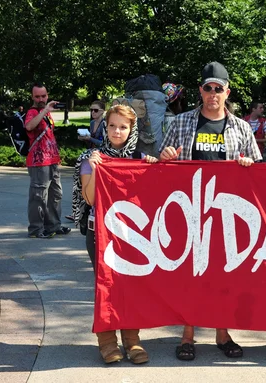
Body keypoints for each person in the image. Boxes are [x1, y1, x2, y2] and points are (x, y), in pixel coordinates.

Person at [159, 61, 261, 361]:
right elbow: (160, 167)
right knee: (190, 276)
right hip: (190, 212)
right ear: (200, 90)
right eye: (208, 88)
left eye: (219, 88)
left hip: (227, 215)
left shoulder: (241, 127)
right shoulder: (180, 123)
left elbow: (258, 171)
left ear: (227, 92)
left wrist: (247, 164)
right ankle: (188, 335)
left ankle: (222, 332)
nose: (213, 93)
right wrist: (164, 157)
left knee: (224, 277)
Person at [72, 104, 157, 364]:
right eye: (112, 126)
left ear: (132, 129)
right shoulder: (90, 157)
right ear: (105, 127)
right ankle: (107, 343)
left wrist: (154, 167)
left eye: (123, 126)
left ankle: (132, 340)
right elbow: (88, 197)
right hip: (99, 233)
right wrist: (96, 168)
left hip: (132, 235)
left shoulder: (141, 158)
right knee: (106, 287)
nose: (116, 131)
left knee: (131, 287)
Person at [24, 83, 71, 238]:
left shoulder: (46, 113)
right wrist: (44, 110)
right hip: (39, 162)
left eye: (43, 96)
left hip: (52, 160)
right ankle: (36, 229)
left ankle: (53, 226)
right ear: (32, 97)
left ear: (47, 95)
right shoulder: (32, 112)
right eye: (37, 96)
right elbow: (29, 126)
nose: (41, 99)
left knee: (55, 195)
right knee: (38, 197)